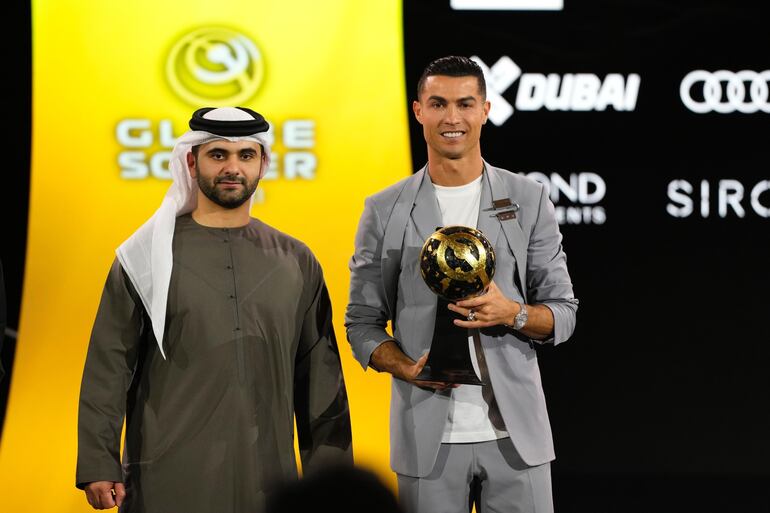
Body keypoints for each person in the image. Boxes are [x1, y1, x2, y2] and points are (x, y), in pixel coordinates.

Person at [76, 107, 352, 512]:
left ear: (264, 164)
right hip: (167, 479)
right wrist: (99, 461)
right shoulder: (144, 256)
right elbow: (109, 363)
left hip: (270, 479)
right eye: (218, 154)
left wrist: (331, 480)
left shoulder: (296, 260)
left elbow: (321, 379)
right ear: (192, 161)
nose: (233, 168)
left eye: (246, 155)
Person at [345, 56, 578, 513]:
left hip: (517, 439)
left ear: (486, 110)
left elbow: (564, 313)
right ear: (418, 111)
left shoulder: (528, 200)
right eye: (438, 104)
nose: (452, 118)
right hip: (425, 442)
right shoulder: (384, 208)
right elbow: (361, 324)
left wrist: (513, 313)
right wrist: (403, 366)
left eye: (465, 104)